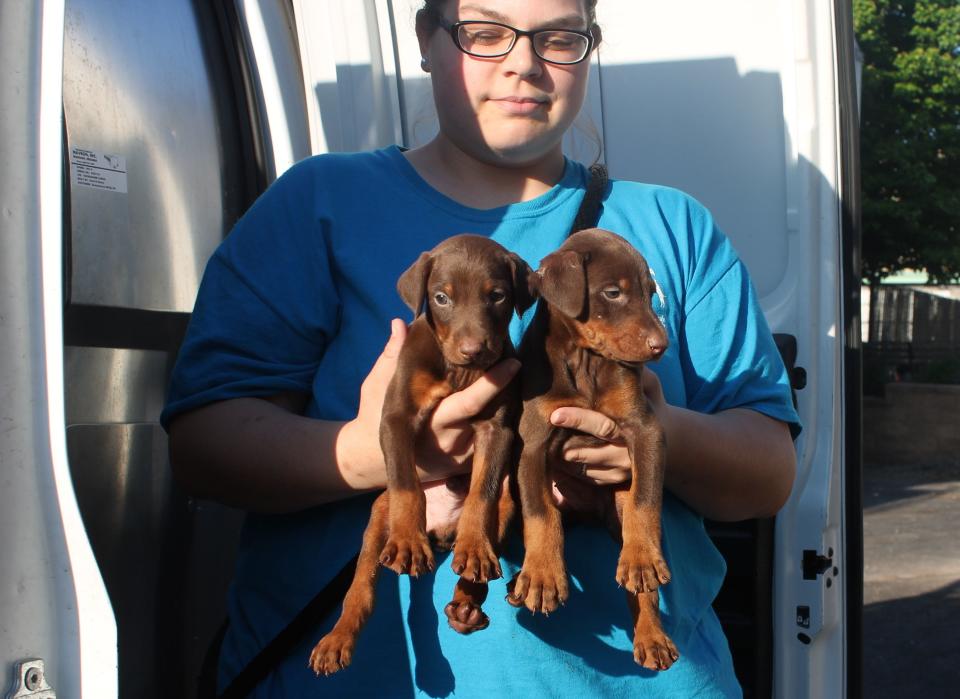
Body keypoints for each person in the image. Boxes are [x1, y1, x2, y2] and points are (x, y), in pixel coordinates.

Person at [161, 0, 800, 696]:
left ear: (591, 47)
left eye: (560, 38)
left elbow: (769, 470)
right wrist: (376, 452)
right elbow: (202, 447)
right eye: (485, 33)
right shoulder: (318, 204)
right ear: (427, 41)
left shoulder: (672, 226)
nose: (524, 62)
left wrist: (654, 432)